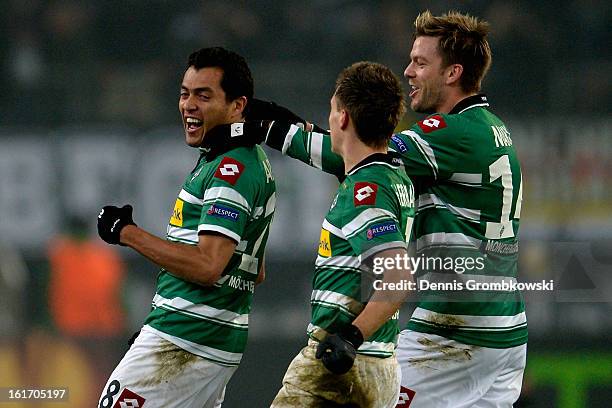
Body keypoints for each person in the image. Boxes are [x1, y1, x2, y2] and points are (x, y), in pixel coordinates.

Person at [251, 10, 526, 408]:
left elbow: (358, 153)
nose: (408, 72)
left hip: (455, 335)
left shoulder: (449, 133)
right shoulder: (492, 128)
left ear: (452, 73)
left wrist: (268, 129)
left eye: (420, 62)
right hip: (505, 333)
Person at [96, 47, 276, 408]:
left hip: (187, 338)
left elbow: (208, 266)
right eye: (185, 93)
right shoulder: (237, 160)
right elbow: (254, 271)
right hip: (200, 339)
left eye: (203, 95)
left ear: (238, 106)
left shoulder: (231, 169)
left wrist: (126, 232)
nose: (189, 105)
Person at [270, 61, 415, 407]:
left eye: (333, 110)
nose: (330, 120)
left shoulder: (364, 191)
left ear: (344, 118)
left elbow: (397, 277)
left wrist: (351, 335)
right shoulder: (393, 176)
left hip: (342, 366)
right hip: (381, 366)